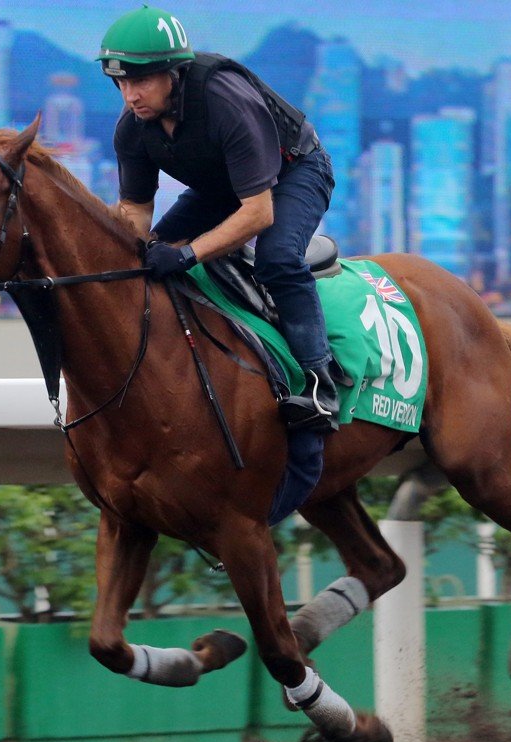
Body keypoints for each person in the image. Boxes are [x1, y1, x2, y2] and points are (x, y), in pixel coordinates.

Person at [99, 4, 340, 433]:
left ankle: (321, 382)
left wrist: (188, 254)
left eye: (140, 81)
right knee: (146, 257)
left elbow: (259, 211)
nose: (129, 95)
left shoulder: (225, 101)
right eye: (120, 83)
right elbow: (135, 210)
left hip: (294, 172)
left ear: (173, 74)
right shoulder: (133, 126)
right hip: (222, 187)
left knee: (278, 259)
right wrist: (141, 253)